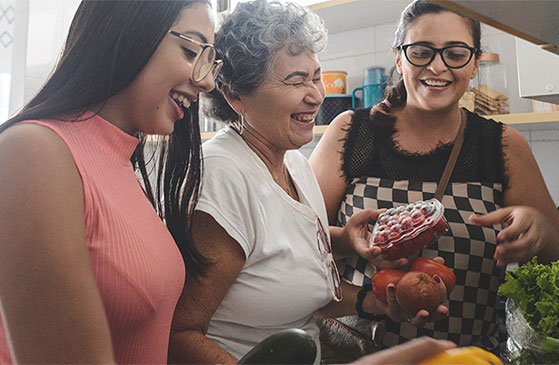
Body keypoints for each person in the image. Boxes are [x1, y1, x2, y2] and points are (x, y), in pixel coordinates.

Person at [168, 1, 453, 364]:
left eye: (316, 76)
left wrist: (374, 298)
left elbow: (288, 271)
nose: (316, 95)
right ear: (235, 94)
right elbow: (179, 333)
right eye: (295, 80)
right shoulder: (223, 178)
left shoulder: (294, 163)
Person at [0, 1, 220, 363]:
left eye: (210, 61)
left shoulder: (120, 161)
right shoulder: (33, 153)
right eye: (190, 51)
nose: (207, 81)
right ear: (128, 30)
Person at [310, 0, 559, 352]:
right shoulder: (350, 134)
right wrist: (353, 260)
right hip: (357, 355)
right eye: (420, 52)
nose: (437, 66)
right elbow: (293, 248)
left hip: (464, 357)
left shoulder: (502, 146)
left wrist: (540, 231)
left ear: (474, 64)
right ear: (399, 58)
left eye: (455, 53)